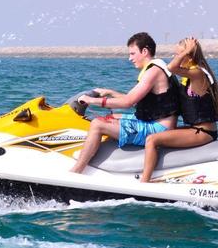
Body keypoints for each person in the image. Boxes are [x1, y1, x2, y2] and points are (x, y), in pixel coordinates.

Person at [70, 32, 179, 174]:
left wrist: (92, 100)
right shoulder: (158, 67)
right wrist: (110, 92)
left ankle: (76, 172)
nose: (130, 58)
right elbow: (137, 101)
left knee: (97, 124)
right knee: (112, 117)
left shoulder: (153, 72)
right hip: (155, 123)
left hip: (158, 129)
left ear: (144, 51)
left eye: (133, 54)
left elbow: (128, 102)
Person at [140, 37, 218, 182]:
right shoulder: (192, 74)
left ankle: (144, 182)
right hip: (195, 129)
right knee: (160, 133)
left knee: (152, 140)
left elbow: (170, 68)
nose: (176, 57)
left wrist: (185, 51)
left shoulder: (198, 73)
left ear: (189, 56)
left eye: (179, 54)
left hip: (203, 132)